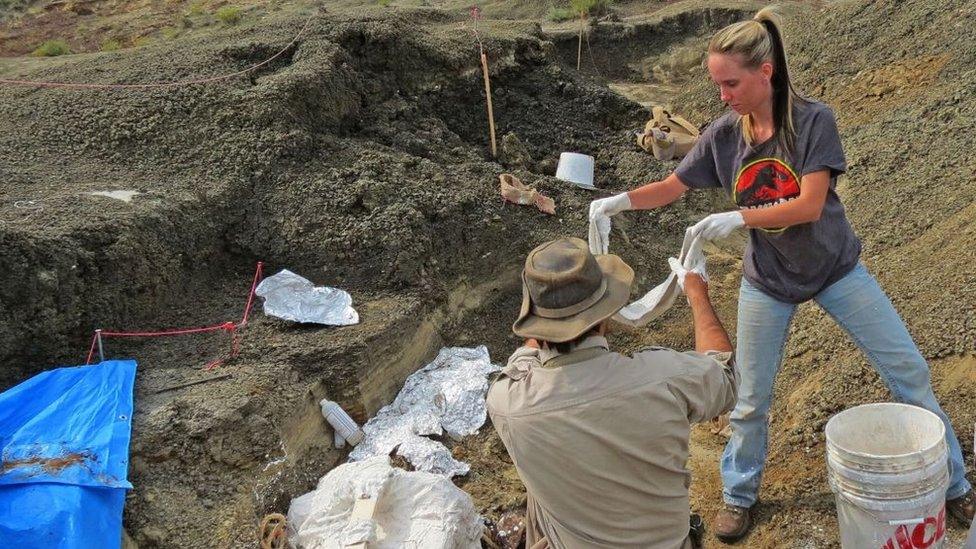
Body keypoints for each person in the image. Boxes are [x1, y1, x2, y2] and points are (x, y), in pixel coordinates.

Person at [587, 7, 975, 542]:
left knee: (908, 370)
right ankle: (739, 495)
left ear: (765, 72)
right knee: (750, 398)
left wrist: (739, 215)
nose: (722, 95)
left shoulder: (813, 121)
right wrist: (616, 203)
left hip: (836, 269)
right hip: (768, 280)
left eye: (731, 83)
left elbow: (810, 204)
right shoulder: (724, 135)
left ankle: (953, 483)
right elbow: (673, 187)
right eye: (717, 84)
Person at [487, 237, 737, 548]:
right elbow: (725, 375)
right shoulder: (665, 378)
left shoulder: (508, 403)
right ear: (605, 316)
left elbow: (524, 358)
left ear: (535, 322)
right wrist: (698, 295)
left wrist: (552, 319)